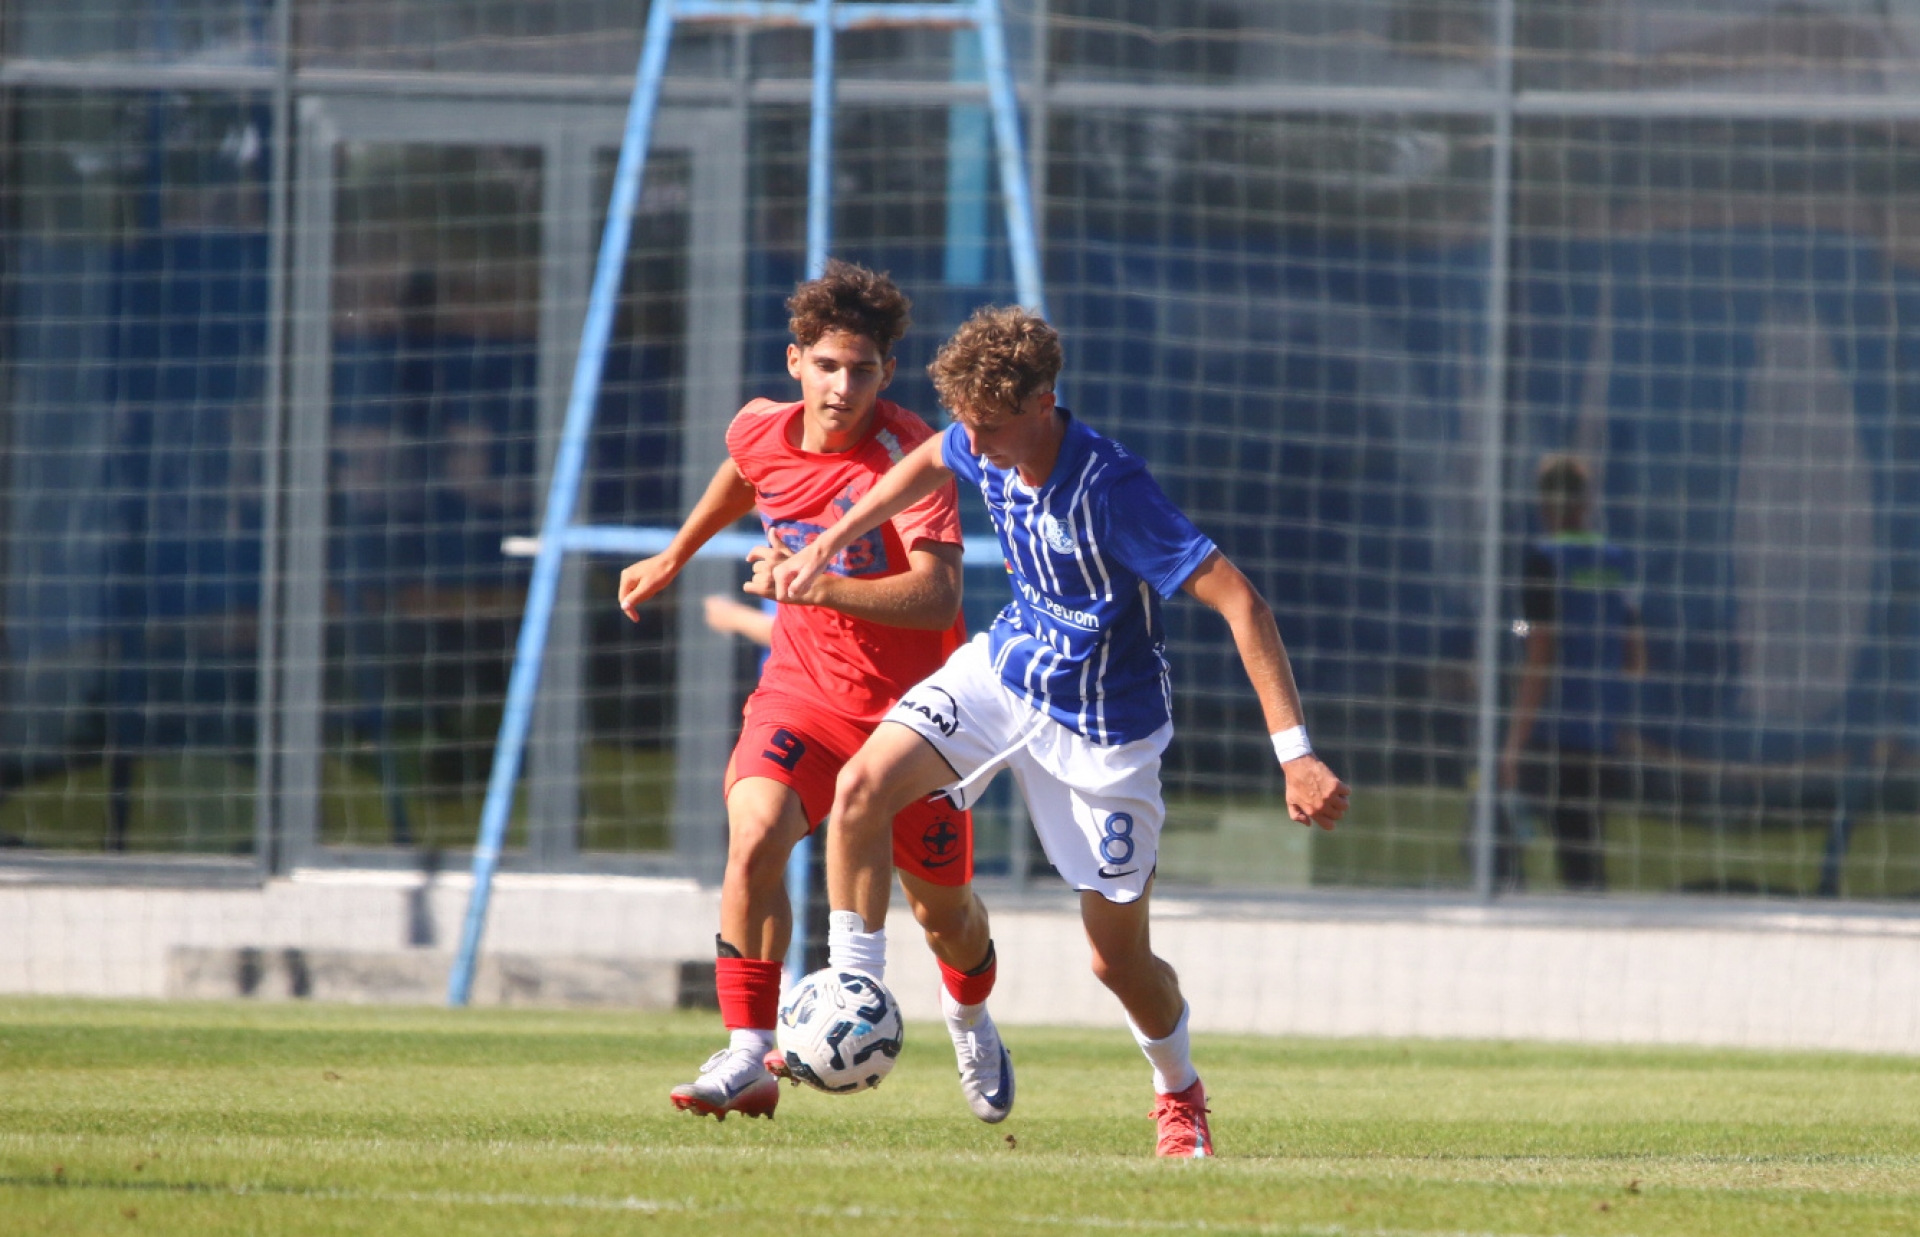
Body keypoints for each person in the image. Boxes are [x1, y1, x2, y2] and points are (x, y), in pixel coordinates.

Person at [775, 306, 1349, 1157]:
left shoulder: (1113, 489)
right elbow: (931, 459)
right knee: (860, 787)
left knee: (1117, 960)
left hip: (1105, 731)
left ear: (1043, 402)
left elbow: (1243, 602)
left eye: (991, 427)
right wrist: (829, 542)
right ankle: (851, 996)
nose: (976, 444)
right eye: (969, 424)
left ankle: (1179, 1092)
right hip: (1005, 674)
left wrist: (1295, 756)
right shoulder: (981, 437)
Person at [617, 261, 1006, 1123]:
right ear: (795, 361)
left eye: (862, 370)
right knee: (754, 834)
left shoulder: (909, 455)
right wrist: (674, 556)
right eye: (826, 365)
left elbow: (938, 596)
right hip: (803, 693)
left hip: (912, 719)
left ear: (887, 374)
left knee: (946, 916)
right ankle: (747, 1051)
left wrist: (815, 582)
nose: (841, 387)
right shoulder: (759, 426)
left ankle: (970, 1015)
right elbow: (744, 472)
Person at [1499, 453, 1644, 892]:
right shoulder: (1616, 561)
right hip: (1600, 730)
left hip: (1552, 730)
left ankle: (1507, 908)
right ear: (1586, 502)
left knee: (1494, 831)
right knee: (1583, 849)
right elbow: (1636, 658)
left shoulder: (1544, 560)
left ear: (1544, 504)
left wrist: (1513, 744)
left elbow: (1539, 651)